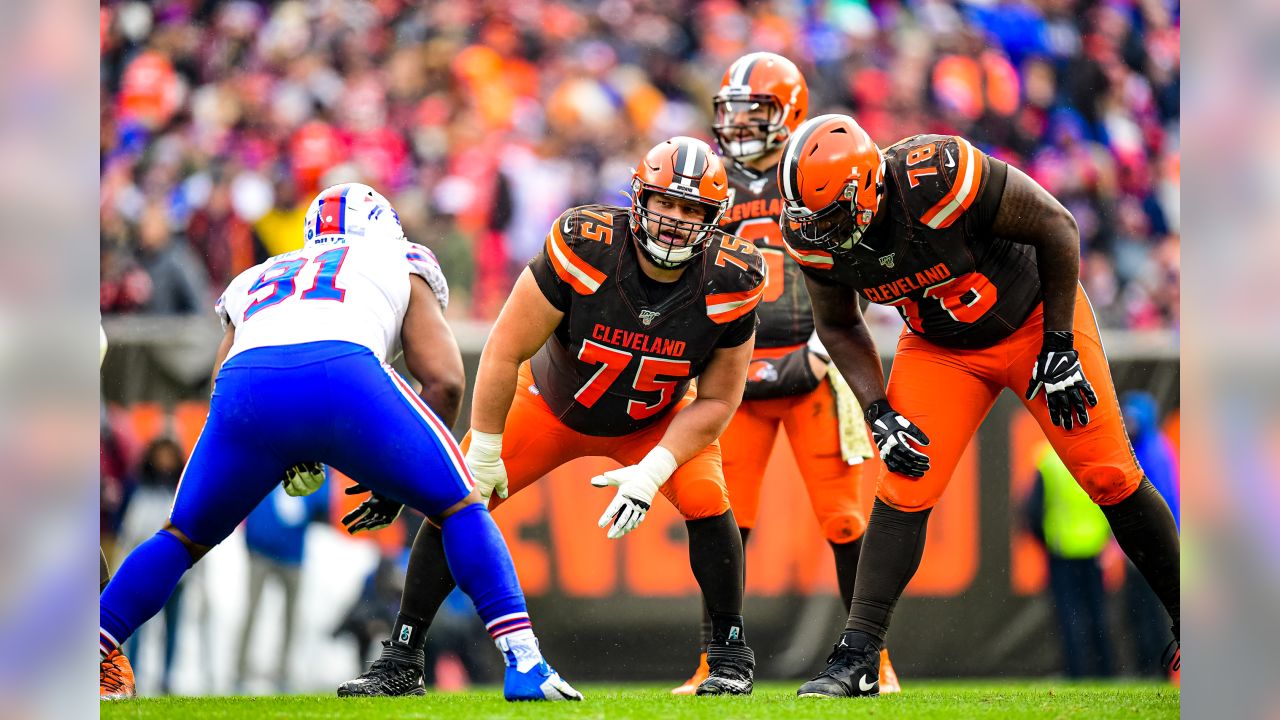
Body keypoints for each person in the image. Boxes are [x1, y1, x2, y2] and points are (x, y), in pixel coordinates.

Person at [99, 183, 580, 702]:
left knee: (181, 537)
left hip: (246, 389)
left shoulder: (259, 274)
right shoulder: (399, 256)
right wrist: (397, 480)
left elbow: (224, 385)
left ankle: (93, 650)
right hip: (343, 373)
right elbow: (444, 379)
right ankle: (525, 662)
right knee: (460, 505)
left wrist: (282, 448)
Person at [338, 137, 766, 698]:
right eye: (665, 202)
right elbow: (503, 349)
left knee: (710, 501)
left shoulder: (730, 281)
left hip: (655, 420)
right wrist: (486, 448)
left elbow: (717, 400)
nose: (675, 220)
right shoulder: (587, 244)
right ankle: (401, 660)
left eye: (691, 210)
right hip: (546, 403)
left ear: (712, 220)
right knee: (457, 500)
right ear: (640, 199)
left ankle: (730, 657)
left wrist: (655, 468)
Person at [774, 115, 1180, 697]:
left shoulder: (934, 175)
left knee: (1110, 474)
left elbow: (1058, 228)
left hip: (1037, 319)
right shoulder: (816, 234)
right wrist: (876, 409)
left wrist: (1060, 344)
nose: (819, 232)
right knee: (903, 485)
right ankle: (858, 657)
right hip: (942, 348)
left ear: (867, 187)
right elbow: (837, 325)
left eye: (831, 216)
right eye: (807, 220)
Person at [671, 52, 898, 695]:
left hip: (814, 369)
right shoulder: (707, 185)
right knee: (721, 522)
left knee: (846, 523)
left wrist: (828, 346)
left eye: (756, 110)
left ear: (792, 112)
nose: (740, 123)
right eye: (732, 111)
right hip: (735, 379)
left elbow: (853, 259)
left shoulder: (816, 172)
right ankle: (717, 664)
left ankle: (872, 662)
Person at [1023, 444, 1114, 678]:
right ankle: (1105, 672)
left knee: (1068, 615)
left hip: (1062, 549)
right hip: (1094, 548)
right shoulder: (1097, 454)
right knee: (1097, 613)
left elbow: (1032, 511)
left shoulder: (1049, 460)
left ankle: (1076, 672)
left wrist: (1047, 539)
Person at [235, 479, 331, 693]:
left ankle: (283, 672)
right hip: (261, 547)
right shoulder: (270, 451)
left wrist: (305, 502)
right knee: (251, 609)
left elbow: (323, 500)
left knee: (291, 615)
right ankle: (239, 671)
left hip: (292, 552)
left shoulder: (314, 460)